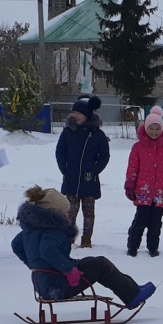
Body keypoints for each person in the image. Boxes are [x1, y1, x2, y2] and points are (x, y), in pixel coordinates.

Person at [12, 186, 156, 308]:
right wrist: (68, 271)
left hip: (43, 283)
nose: (66, 215)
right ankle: (132, 296)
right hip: (57, 285)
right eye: (64, 212)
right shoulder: (52, 230)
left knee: (91, 262)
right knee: (101, 265)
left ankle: (133, 289)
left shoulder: (31, 229)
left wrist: (36, 266)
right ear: (54, 213)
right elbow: (48, 251)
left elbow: (17, 246)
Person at [55, 95, 110, 249]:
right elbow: (60, 152)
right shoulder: (67, 132)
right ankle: (69, 237)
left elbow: (104, 156)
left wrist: (94, 171)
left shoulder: (97, 134)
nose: (75, 115)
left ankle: (87, 239)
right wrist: (64, 169)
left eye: (79, 113)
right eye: (74, 113)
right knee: (70, 212)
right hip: (71, 179)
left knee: (89, 213)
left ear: (87, 115)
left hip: (89, 181)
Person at [124, 107, 163, 257]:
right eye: (151, 128)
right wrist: (130, 184)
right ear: (145, 128)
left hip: (160, 193)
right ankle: (132, 246)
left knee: (156, 222)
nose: (154, 132)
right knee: (140, 220)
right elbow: (132, 168)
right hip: (143, 191)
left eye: (157, 129)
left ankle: (153, 247)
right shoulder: (138, 148)